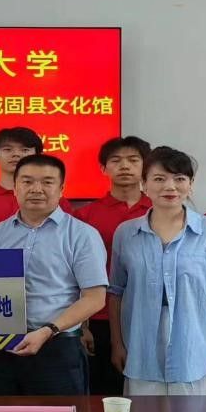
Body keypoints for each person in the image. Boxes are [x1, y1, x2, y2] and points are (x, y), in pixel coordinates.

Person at [108, 146, 206, 396]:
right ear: (144, 184)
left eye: (179, 179)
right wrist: (117, 344)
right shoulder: (126, 233)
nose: (170, 187)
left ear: (190, 185)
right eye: (159, 179)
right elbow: (115, 293)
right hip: (141, 347)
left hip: (197, 349)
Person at [0, 154, 107, 396]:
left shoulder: (82, 235)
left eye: (47, 182)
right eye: (27, 181)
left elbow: (95, 298)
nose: (36, 189)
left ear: (61, 189)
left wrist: (48, 330)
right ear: (15, 188)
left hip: (56, 345)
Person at [73, 135, 153, 396]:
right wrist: (82, 324)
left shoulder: (161, 210)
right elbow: (73, 273)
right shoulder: (85, 216)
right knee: (102, 394)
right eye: (116, 161)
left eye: (133, 160)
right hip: (99, 316)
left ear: (146, 166)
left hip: (150, 316)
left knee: (149, 397)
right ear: (103, 168)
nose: (125, 166)